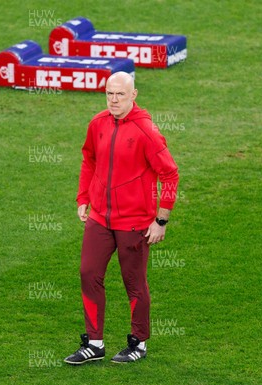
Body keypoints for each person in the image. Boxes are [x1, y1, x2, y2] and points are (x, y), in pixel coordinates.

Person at [64, 72, 179, 364]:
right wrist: (83, 197)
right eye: (109, 94)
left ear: (134, 95)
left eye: (120, 94)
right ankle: (94, 343)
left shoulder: (146, 131)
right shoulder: (97, 123)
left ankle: (138, 343)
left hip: (135, 222)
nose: (114, 100)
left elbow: (170, 174)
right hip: (100, 218)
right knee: (88, 273)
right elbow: (89, 159)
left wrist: (161, 221)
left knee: (134, 283)